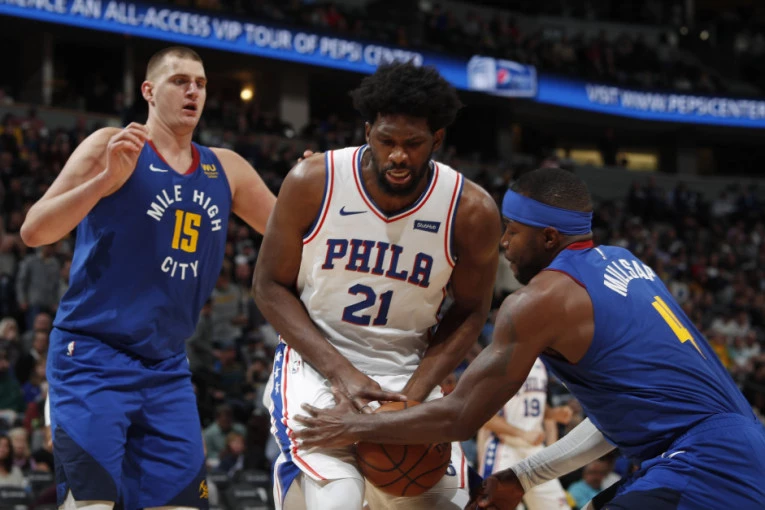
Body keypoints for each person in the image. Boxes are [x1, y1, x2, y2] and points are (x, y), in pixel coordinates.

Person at [293, 167, 765, 510]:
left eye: (513, 231)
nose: (503, 242)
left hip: (705, 464)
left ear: (549, 238)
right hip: (734, 452)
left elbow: (460, 416)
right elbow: (615, 423)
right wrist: (523, 476)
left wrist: (356, 428)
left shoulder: (542, 300)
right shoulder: (625, 264)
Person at [20, 46, 275, 510]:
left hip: (166, 367)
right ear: (149, 91)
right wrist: (104, 181)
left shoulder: (226, 167)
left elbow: (292, 233)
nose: (193, 91)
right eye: (180, 81)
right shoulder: (111, 145)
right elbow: (34, 230)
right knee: (89, 506)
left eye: (200, 83)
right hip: (92, 357)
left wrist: (311, 187)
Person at [252, 61, 501, 510]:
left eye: (413, 144)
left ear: (437, 140)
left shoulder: (470, 210)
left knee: (442, 501)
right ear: (368, 132)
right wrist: (340, 373)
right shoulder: (314, 182)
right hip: (317, 358)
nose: (398, 156)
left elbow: (470, 311)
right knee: (338, 498)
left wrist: (409, 400)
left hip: (408, 367)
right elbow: (268, 285)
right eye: (387, 141)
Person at [477, 358, 572, 510]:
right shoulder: (500, 361)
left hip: (534, 451)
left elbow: (535, 406)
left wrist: (554, 413)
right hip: (505, 450)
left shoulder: (541, 364)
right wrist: (522, 433)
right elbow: (484, 416)